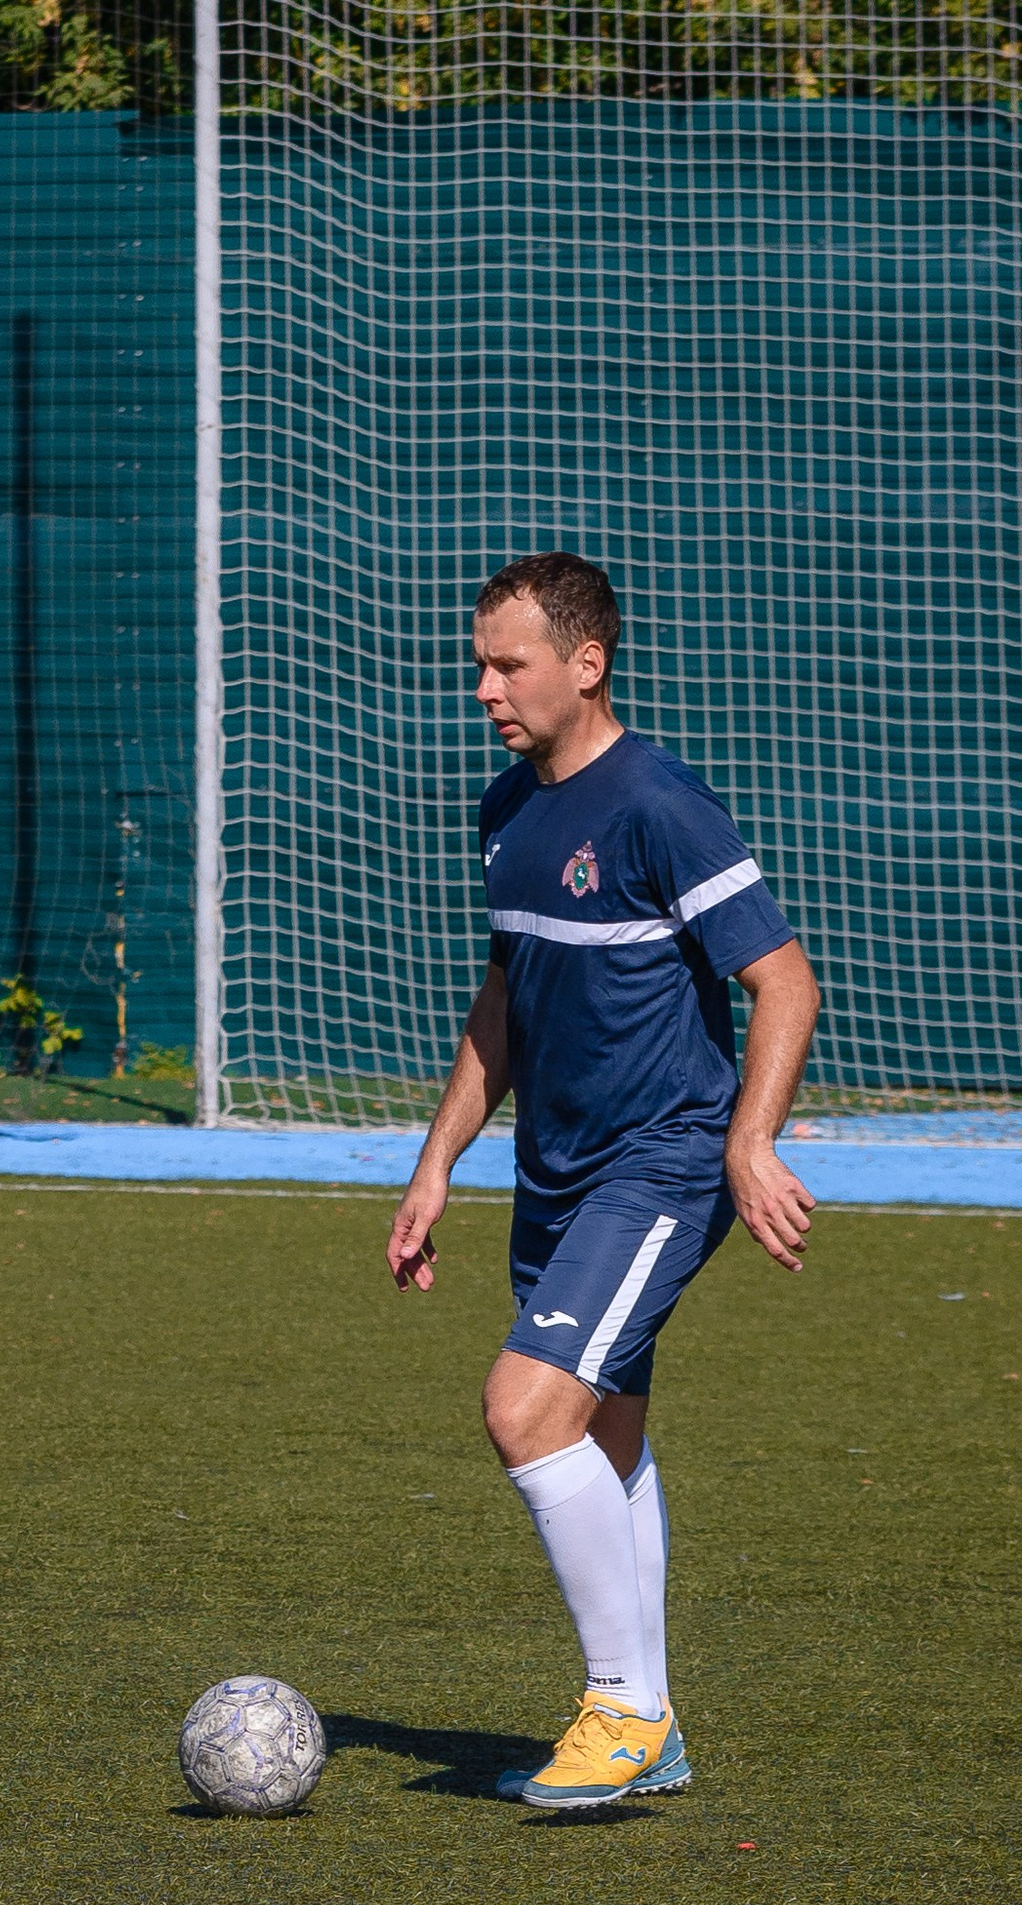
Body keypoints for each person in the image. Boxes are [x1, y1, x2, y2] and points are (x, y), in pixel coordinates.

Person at [386, 555, 820, 1810]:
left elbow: (782, 981)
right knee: (600, 1433)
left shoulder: (657, 803)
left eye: (507, 665)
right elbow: (504, 1001)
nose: (483, 688)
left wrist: (748, 1142)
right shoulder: (506, 808)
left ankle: (622, 1707)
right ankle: (654, 1729)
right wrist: (434, 1163)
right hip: (555, 1173)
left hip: (662, 1162)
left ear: (585, 664)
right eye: (478, 664)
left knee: (524, 1412)